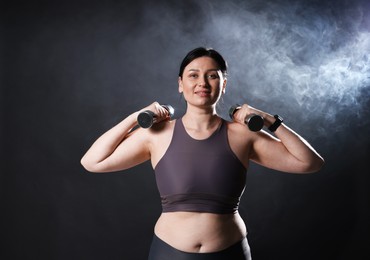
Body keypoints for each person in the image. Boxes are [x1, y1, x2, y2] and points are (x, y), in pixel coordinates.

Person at [80, 47, 325, 260]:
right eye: (193, 75)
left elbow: (310, 162)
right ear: (180, 83)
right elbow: (92, 162)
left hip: (230, 252)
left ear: (224, 84)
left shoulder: (242, 135)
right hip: (169, 253)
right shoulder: (157, 134)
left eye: (212, 76)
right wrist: (136, 118)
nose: (202, 83)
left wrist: (268, 120)